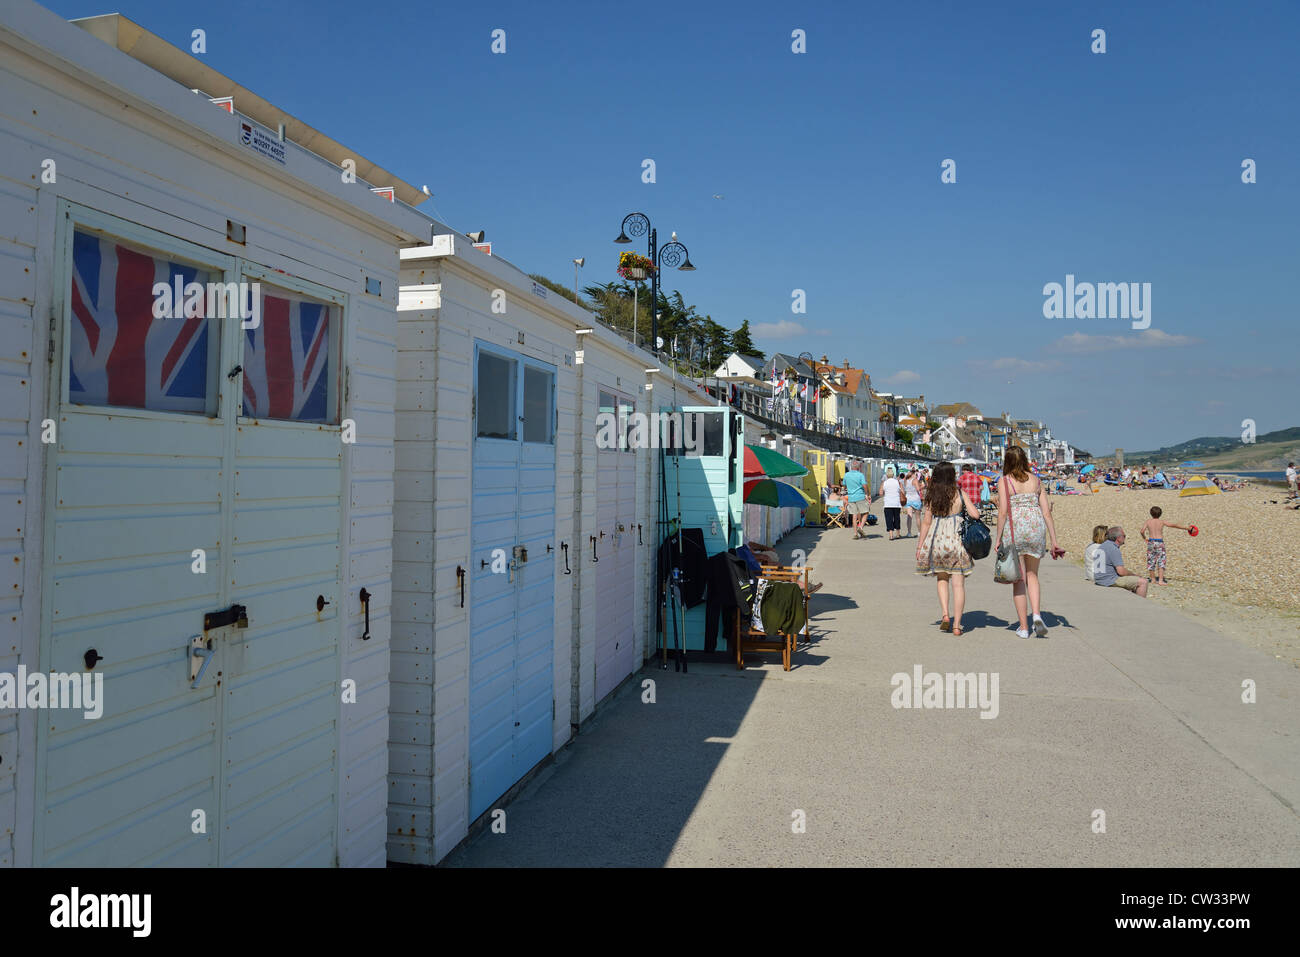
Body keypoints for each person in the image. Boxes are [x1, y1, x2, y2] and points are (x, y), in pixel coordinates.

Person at [994, 446, 1063, 638]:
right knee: (1033, 575)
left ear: (1007, 461)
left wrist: (997, 538)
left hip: (1015, 530)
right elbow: (1047, 512)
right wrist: (1054, 541)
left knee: (1018, 579)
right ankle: (1037, 615)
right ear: (1025, 459)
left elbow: (1002, 512)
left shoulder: (1005, 481)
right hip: (1035, 529)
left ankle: (1023, 627)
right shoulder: (1036, 480)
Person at [915, 462, 981, 636]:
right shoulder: (960, 493)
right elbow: (975, 514)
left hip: (937, 540)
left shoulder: (931, 495)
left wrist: (920, 545)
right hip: (956, 541)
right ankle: (957, 626)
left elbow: (926, 522)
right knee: (958, 585)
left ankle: (945, 615)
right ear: (952, 476)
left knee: (942, 579)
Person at [1093, 527, 1149, 597]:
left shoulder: (1103, 545)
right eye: (1124, 536)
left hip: (1099, 578)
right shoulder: (1113, 548)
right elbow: (1121, 572)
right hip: (1108, 580)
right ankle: (1141, 605)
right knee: (1143, 582)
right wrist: (1134, 575)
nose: (1125, 537)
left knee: (1132, 582)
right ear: (1118, 538)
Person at [1140, 506, 1188, 585]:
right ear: (1160, 514)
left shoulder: (1148, 521)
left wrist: (1144, 538)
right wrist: (1186, 528)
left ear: (1150, 513)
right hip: (1159, 542)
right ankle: (1161, 580)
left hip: (1151, 542)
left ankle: (1152, 579)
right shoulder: (1161, 522)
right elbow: (1173, 525)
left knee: (1151, 560)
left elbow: (1142, 531)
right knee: (1161, 560)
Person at [843, 460, 871, 539]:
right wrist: (867, 494)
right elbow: (864, 485)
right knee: (866, 512)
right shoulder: (860, 475)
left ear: (851, 466)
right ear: (859, 467)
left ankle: (855, 534)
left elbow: (844, 486)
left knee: (854, 516)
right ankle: (861, 527)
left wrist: (846, 491)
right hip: (860, 496)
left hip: (851, 497)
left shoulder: (846, 475)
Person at [879, 465, 903, 540]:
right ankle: (898, 534)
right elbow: (903, 491)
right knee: (897, 518)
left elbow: (880, 493)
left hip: (888, 504)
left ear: (886, 475)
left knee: (889, 519)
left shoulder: (884, 483)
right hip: (896, 503)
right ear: (893, 474)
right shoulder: (897, 482)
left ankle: (891, 535)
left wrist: (885, 492)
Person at [901, 468, 924, 537]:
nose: (916, 475)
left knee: (909, 516)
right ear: (913, 474)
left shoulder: (906, 480)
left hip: (908, 499)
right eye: (915, 474)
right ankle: (919, 532)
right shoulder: (915, 480)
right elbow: (918, 489)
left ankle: (909, 532)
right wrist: (922, 486)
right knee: (918, 517)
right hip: (916, 499)